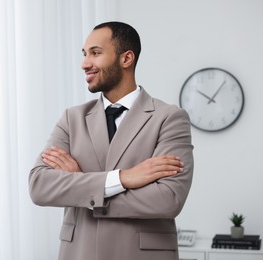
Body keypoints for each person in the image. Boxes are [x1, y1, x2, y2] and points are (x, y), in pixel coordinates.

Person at [29, 21, 194, 260]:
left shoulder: (169, 118)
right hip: (80, 253)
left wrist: (80, 184)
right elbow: (39, 186)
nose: (85, 63)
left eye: (95, 53)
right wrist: (123, 178)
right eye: (85, 54)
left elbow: (168, 199)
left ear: (126, 58)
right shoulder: (72, 118)